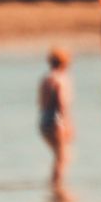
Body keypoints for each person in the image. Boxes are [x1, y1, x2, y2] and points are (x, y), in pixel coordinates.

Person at [38, 48, 74, 190]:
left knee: (60, 156)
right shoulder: (61, 79)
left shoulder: (45, 79)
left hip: (44, 120)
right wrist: (67, 123)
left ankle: (55, 186)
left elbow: (40, 103)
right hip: (56, 120)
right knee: (62, 157)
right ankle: (57, 187)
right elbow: (62, 104)